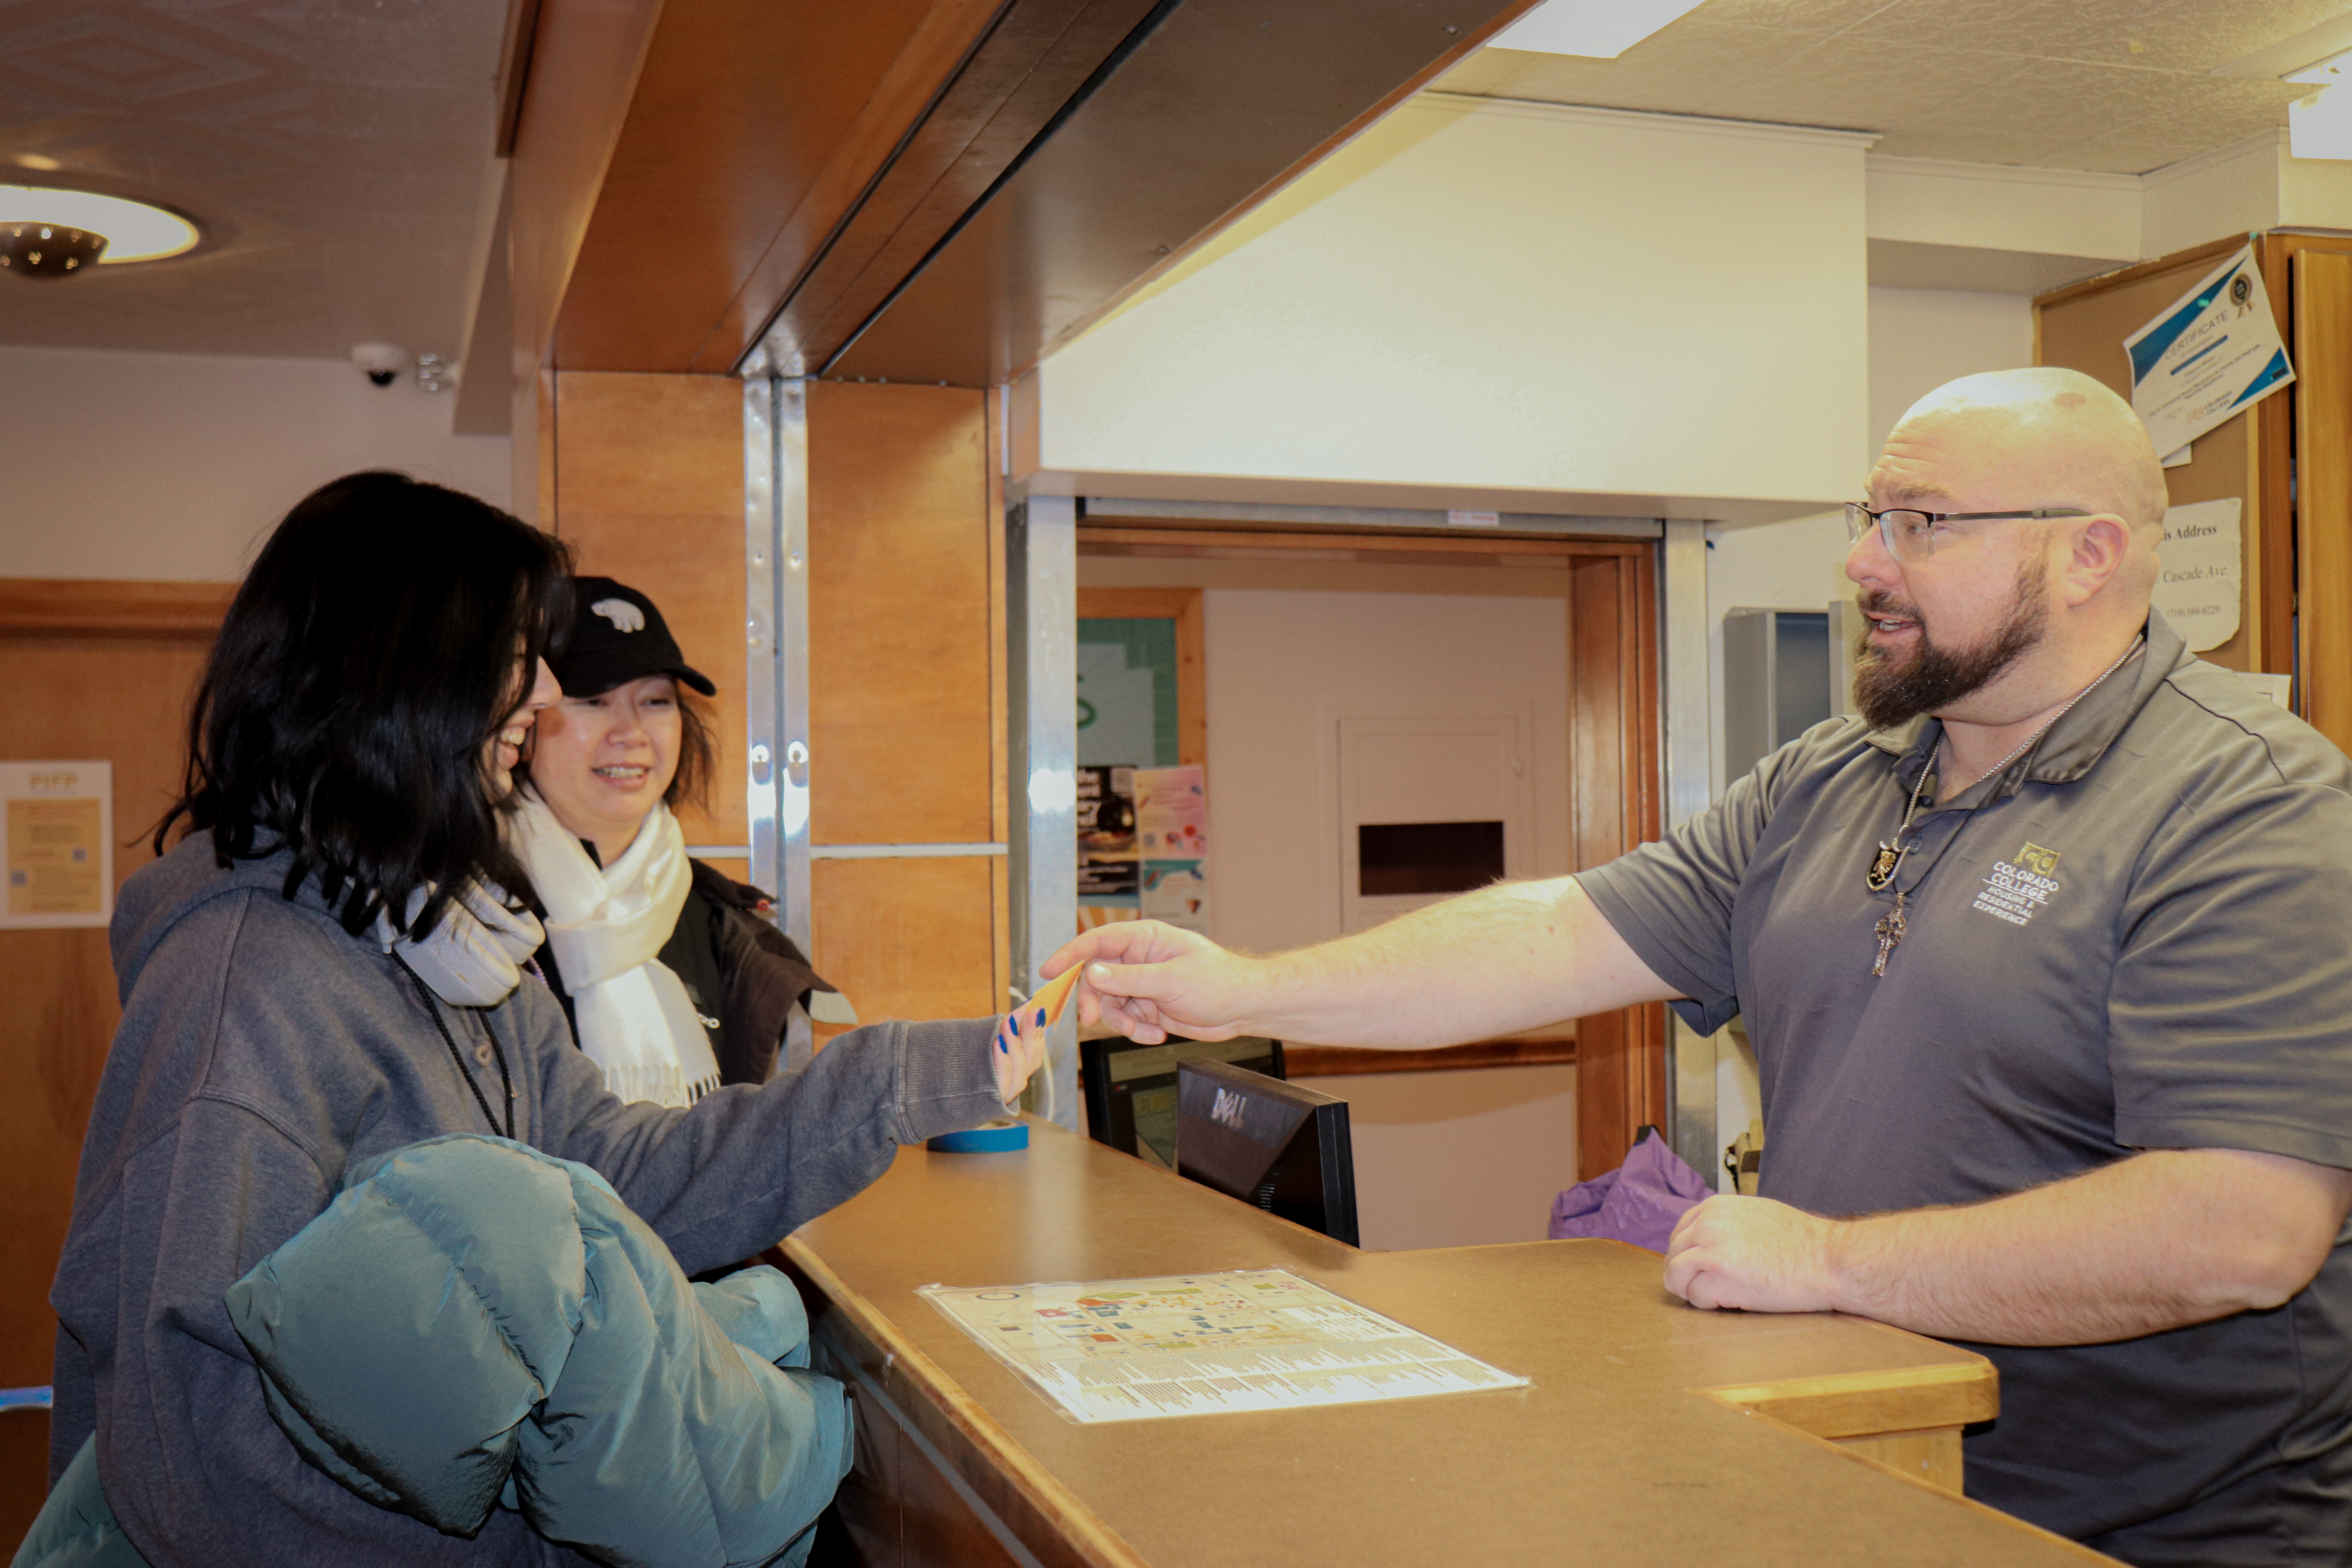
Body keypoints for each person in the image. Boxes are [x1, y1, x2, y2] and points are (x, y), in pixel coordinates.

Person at [1044, 368, 2352, 1565]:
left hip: (2161, 1534)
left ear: (2090, 555)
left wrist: (1834, 1266)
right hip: (1876, 1478)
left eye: (1921, 524)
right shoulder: (1836, 779)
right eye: (1872, 517)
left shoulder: (2246, 806)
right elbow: (1559, 934)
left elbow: (2240, 1231)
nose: (1865, 562)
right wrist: (1244, 988)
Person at [38, 472, 1049, 1566]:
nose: (544, 696)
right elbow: (192, 1458)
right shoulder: (245, 992)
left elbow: (625, 1171)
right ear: (404, 675)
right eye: (516, 662)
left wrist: (905, 1079)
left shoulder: (449, 949)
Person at [513, 575, 848, 1103]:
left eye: (655, 702)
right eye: (595, 701)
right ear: (521, 721)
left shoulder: (720, 925)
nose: (632, 733)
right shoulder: (473, 914)